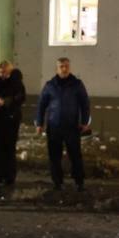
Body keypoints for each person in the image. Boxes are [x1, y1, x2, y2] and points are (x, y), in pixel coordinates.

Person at [35, 58, 91, 192]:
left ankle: (79, 182)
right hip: (54, 126)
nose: (64, 69)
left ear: (69, 67)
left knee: (75, 155)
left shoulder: (77, 84)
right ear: (57, 68)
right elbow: (41, 105)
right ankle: (57, 182)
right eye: (61, 66)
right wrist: (39, 122)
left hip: (72, 126)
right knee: (54, 156)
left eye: (66, 66)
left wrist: (84, 122)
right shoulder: (50, 85)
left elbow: (85, 104)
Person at [0, 64, 26, 191]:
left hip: (10, 121)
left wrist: (6, 102)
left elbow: (20, 98)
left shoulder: (16, 84)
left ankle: (9, 176)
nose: (2, 74)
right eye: (0, 72)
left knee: (9, 148)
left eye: (5, 72)